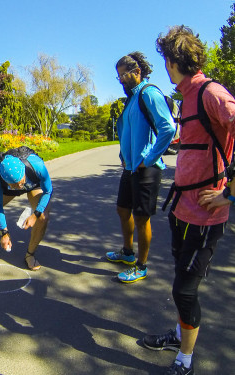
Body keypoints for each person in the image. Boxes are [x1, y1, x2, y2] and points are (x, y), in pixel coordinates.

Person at [142, 26, 235, 375]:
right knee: (181, 281)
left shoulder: (211, 92)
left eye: (164, 60)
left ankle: (185, 361)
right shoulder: (187, 96)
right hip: (182, 210)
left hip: (205, 215)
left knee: (184, 290)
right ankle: (180, 336)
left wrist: (230, 194)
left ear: (171, 61)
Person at [106, 52, 176, 283]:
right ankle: (127, 253)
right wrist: (123, 154)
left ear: (137, 72)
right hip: (131, 168)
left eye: (123, 75)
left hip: (147, 168)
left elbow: (168, 127)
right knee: (122, 209)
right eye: (118, 77)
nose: (121, 80)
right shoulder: (132, 98)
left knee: (141, 217)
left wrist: (149, 157)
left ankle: (141, 265)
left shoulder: (149, 93)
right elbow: (128, 131)